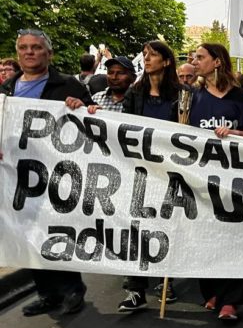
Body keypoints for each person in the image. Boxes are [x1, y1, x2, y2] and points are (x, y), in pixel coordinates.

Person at [66, 41, 182, 313]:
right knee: (135, 228)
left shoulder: (182, 93)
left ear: (166, 61)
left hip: (171, 170)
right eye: (145, 56)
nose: (147, 59)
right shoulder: (136, 93)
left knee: (167, 225)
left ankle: (167, 279)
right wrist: (97, 115)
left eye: (152, 55)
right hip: (139, 169)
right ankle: (136, 289)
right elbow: (125, 127)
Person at [0, 29, 93, 316]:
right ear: (18, 54)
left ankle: (71, 291)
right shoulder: (6, 91)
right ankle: (47, 294)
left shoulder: (68, 85)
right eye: (24, 48)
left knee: (58, 232)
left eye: (36, 48)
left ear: (48, 54)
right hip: (17, 177)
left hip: (58, 175)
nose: (30, 52)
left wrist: (81, 108)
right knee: (27, 236)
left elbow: (94, 122)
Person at [186, 43, 243, 321]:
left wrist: (233, 132)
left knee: (233, 234)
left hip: (232, 176)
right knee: (205, 234)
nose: (195, 61)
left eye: (200, 57)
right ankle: (212, 291)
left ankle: (232, 299)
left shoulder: (238, 96)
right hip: (199, 174)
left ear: (217, 62)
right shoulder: (192, 96)